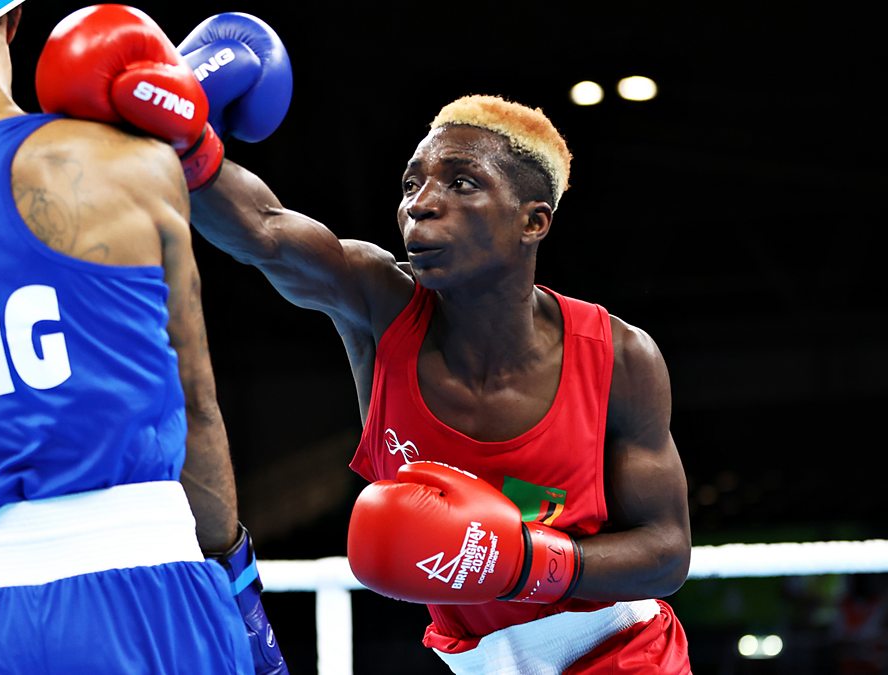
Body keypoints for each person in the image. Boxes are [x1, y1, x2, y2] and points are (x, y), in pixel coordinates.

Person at [175, 12, 693, 674]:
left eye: (461, 182)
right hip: (474, 662)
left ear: (533, 221)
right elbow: (266, 229)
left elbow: (669, 549)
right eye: (412, 182)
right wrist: (181, 140)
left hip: (621, 650)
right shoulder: (376, 302)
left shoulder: (619, 357)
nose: (420, 202)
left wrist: (529, 561)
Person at [0, 5, 285, 673]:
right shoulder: (126, 163)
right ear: (13, 18)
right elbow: (197, 406)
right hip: (145, 595)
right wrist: (239, 587)